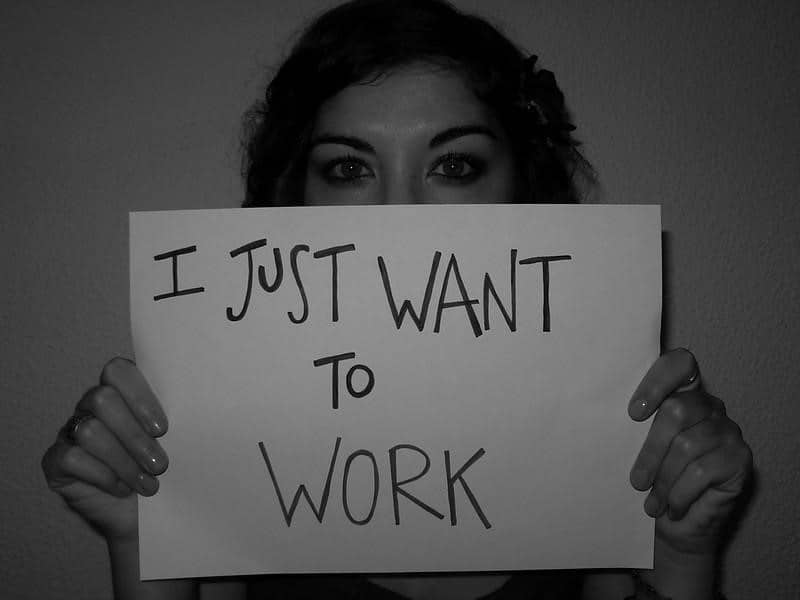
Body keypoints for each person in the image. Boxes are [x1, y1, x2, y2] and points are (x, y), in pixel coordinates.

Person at [41, 1, 753, 598]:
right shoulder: (227, 441)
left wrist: (683, 557)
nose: (400, 215)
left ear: (523, 191)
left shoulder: (604, 442)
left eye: (454, 165)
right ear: (296, 198)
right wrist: (146, 543)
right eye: (349, 168)